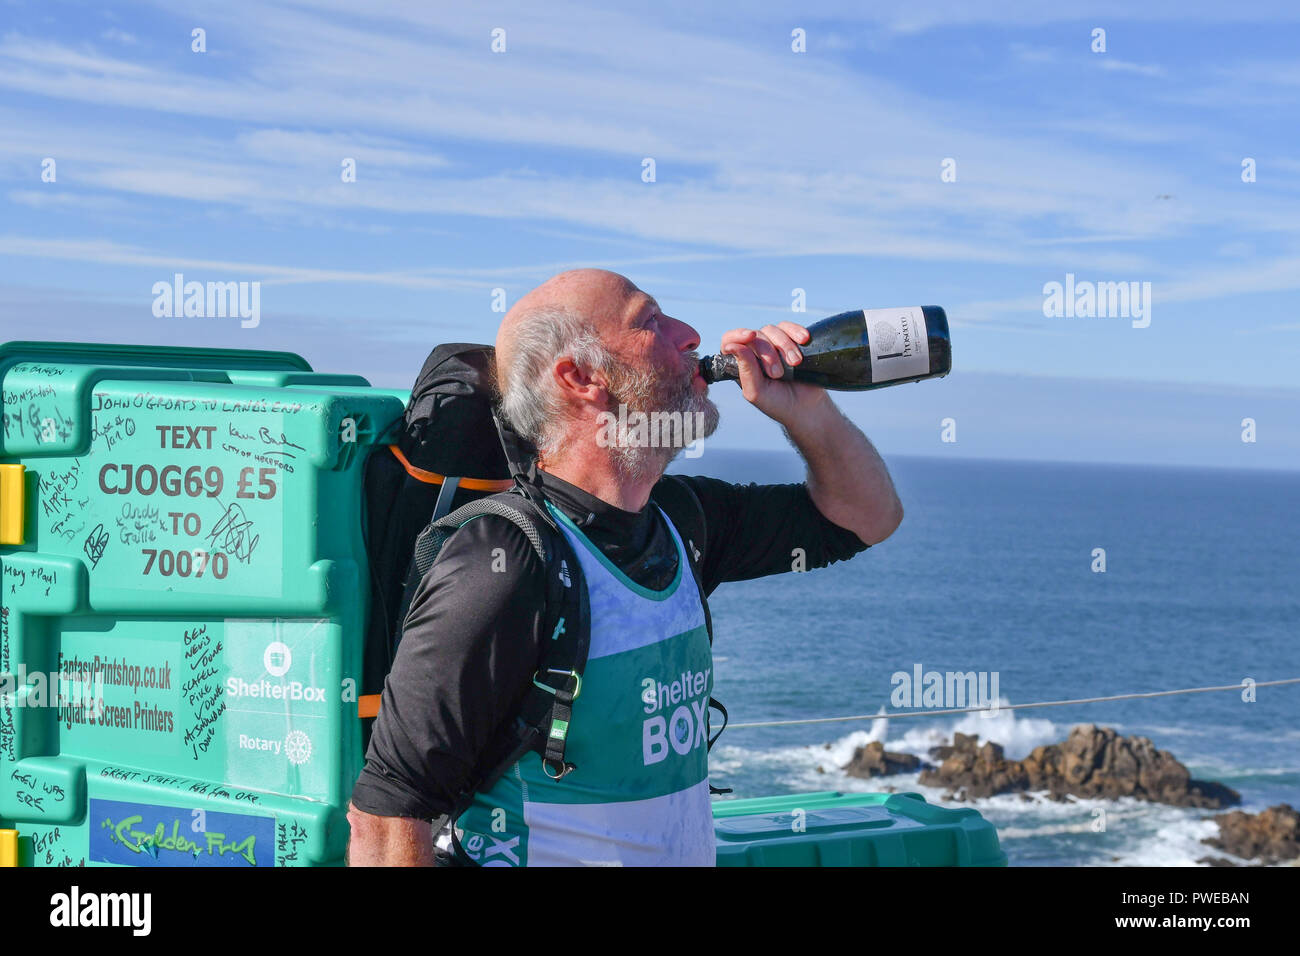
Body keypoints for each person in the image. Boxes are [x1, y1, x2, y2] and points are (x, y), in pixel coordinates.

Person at [346, 269, 903, 866]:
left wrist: (808, 414)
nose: (692, 336)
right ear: (581, 378)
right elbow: (386, 815)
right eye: (651, 322)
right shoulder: (503, 559)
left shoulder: (681, 521)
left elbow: (865, 517)